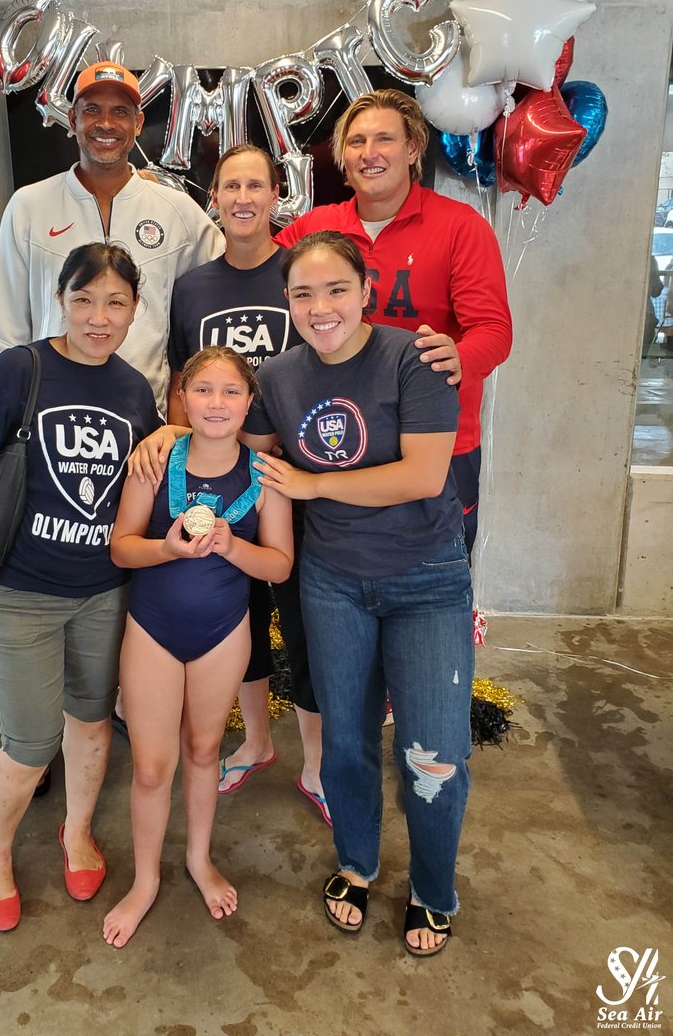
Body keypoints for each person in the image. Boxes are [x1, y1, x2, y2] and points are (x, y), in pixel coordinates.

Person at [0, 244, 161, 933]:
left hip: (104, 591)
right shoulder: (20, 370)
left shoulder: (134, 389)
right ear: (60, 299)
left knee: (93, 720)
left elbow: (151, 467)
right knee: (29, 741)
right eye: (83, 300)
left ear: (136, 308)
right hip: (22, 593)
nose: (98, 318)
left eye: (115, 303)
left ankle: (76, 832)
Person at [241, 232, 472, 957]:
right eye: (303, 294)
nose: (320, 307)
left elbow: (424, 476)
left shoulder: (415, 357)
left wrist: (313, 485)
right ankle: (356, 863)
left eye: (336, 289)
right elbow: (239, 448)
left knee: (433, 751)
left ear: (366, 289)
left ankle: (435, 890)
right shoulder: (278, 376)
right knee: (344, 742)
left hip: (427, 577)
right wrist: (172, 442)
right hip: (332, 580)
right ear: (287, 302)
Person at [102, 347, 293, 949]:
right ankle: (145, 879)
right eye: (203, 391)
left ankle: (200, 860)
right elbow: (120, 547)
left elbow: (281, 565)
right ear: (181, 399)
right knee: (154, 766)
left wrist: (233, 548)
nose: (216, 403)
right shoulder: (154, 462)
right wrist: (168, 548)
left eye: (230, 392)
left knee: (204, 749)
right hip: (153, 629)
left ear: (249, 401)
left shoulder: (264, 476)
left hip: (222, 633)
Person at [276, 89, 512, 555]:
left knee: (435, 582)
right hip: (335, 440)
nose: (370, 154)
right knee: (335, 582)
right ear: (343, 156)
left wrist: (456, 357)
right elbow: (248, 268)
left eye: (384, 139)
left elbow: (494, 331)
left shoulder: (460, 227)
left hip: (436, 443)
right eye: (357, 142)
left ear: (412, 149)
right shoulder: (313, 230)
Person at [167, 144, 326, 819]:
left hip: (292, 474)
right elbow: (182, 383)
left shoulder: (301, 273)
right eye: (230, 184)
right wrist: (178, 453)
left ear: (274, 195)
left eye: (255, 185)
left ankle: (316, 763)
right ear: (215, 197)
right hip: (222, 480)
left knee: (304, 615)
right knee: (242, 615)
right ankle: (257, 739)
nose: (242, 197)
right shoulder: (194, 286)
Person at [0, 60, 223, 410]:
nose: (106, 123)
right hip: (50, 418)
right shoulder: (28, 207)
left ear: (138, 123)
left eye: (119, 112)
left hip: (143, 423)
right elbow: (3, 330)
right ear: (73, 120)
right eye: (92, 110)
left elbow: (229, 286)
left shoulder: (175, 210)